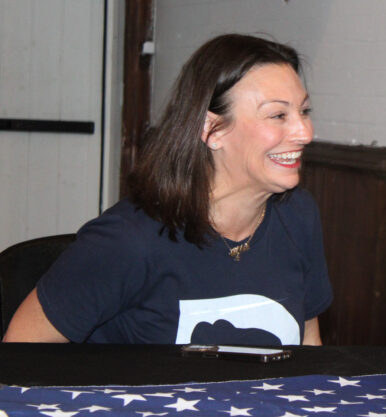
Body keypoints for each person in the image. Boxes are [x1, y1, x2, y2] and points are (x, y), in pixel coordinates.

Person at [3, 34, 332, 345]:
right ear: (212, 129)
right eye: (278, 115)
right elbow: (20, 349)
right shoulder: (129, 240)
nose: (304, 132)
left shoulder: (298, 216)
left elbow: (308, 345)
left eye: (303, 111)